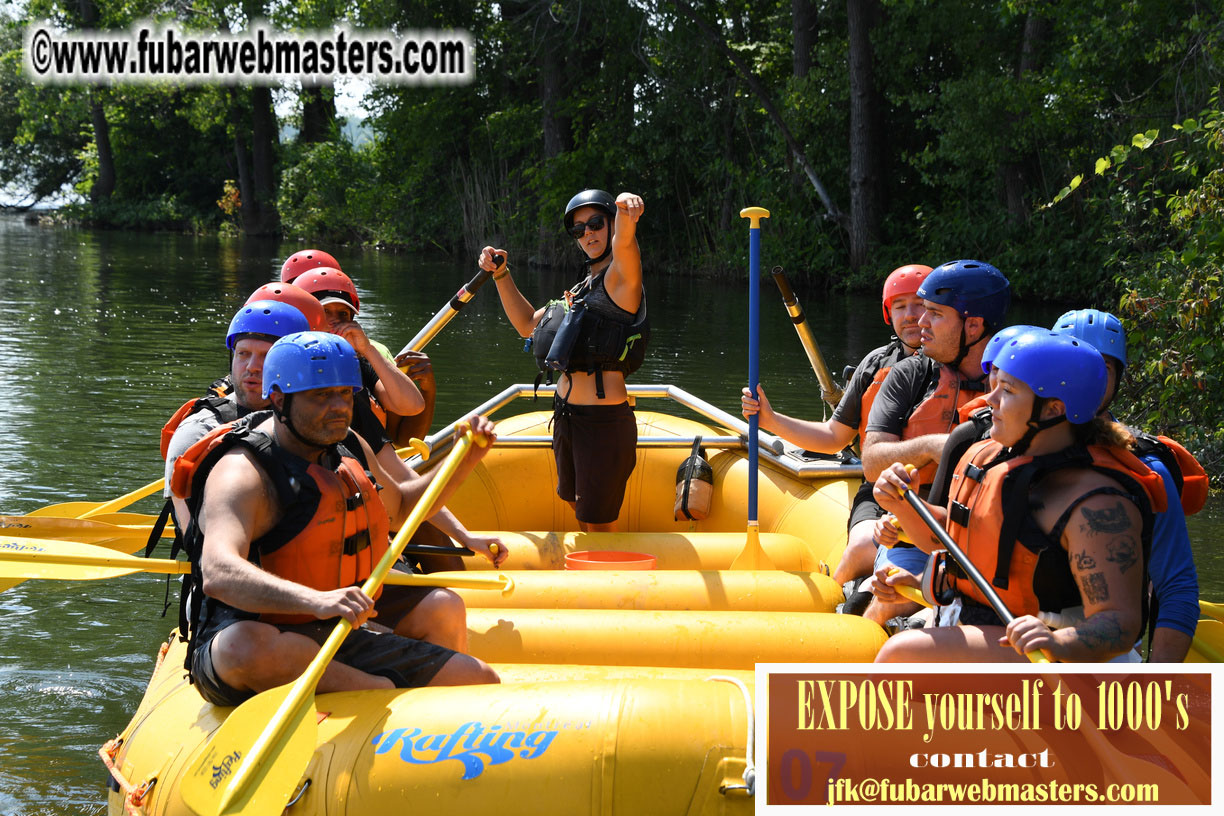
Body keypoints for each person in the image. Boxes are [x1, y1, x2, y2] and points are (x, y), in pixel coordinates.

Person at [175, 331, 499, 706]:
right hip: (258, 638)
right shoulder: (243, 472)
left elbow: (404, 507)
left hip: (332, 630)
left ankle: (390, 702)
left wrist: (464, 460)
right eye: (320, 395)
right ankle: (378, 692)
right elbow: (218, 571)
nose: (339, 408)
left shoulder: (347, 445)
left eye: (345, 393)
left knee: (479, 678)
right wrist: (315, 600)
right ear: (279, 399)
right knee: (241, 646)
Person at [872, 329, 1164, 663]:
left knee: (902, 653)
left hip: (1061, 655)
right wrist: (903, 502)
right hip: (987, 628)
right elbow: (954, 538)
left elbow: (1120, 622)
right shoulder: (989, 457)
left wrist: (1063, 643)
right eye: (993, 386)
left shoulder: (1095, 506)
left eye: (1007, 391)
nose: (990, 400)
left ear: (1053, 409)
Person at [294, 265, 506, 570]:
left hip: (363, 511)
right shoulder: (268, 398)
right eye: (328, 315)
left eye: (344, 317)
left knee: (448, 565)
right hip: (310, 529)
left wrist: (464, 535)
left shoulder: (352, 390)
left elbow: (410, 415)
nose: (337, 325)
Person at [739, 263, 931, 585]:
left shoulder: (955, 369)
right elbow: (833, 437)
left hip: (934, 491)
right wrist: (770, 419)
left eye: (920, 305)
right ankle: (835, 598)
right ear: (888, 313)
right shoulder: (875, 364)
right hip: (879, 490)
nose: (911, 315)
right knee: (860, 548)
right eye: (900, 306)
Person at [480, 189, 648, 532]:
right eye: (579, 230)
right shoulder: (581, 290)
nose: (588, 233)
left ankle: (607, 581)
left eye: (596, 223)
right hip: (567, 414)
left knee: (596, 521)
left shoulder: (621, 281)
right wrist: (501, 274)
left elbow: (626, 245)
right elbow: (528, 325)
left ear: (611, 224)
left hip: (602, 423)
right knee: (574, 502)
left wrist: (627, 212)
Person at [856, 259, 1010, 625]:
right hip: (910, 536)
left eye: (935, 314)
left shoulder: (1015, 388)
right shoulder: (911, 372)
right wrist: (930, 447)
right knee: (889, 603)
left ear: (973, 326)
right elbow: (872, 462)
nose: (920, 324)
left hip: (980, 545)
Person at [1052, 309, 1200, 661]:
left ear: (1117, 379)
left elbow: (1177, 586)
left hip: (1101, 648)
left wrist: (1157, 687)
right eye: (1074, 361)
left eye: (1101, 368)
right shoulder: (1004, 445)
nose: (1085, 377)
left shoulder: (1145, 469)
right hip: (1008, 630)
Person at [161, 299, 313, 530]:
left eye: (267, 355)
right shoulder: (197, 431)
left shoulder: (317, 423)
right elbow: (194, 541)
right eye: (243, 353)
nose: (252, 366)